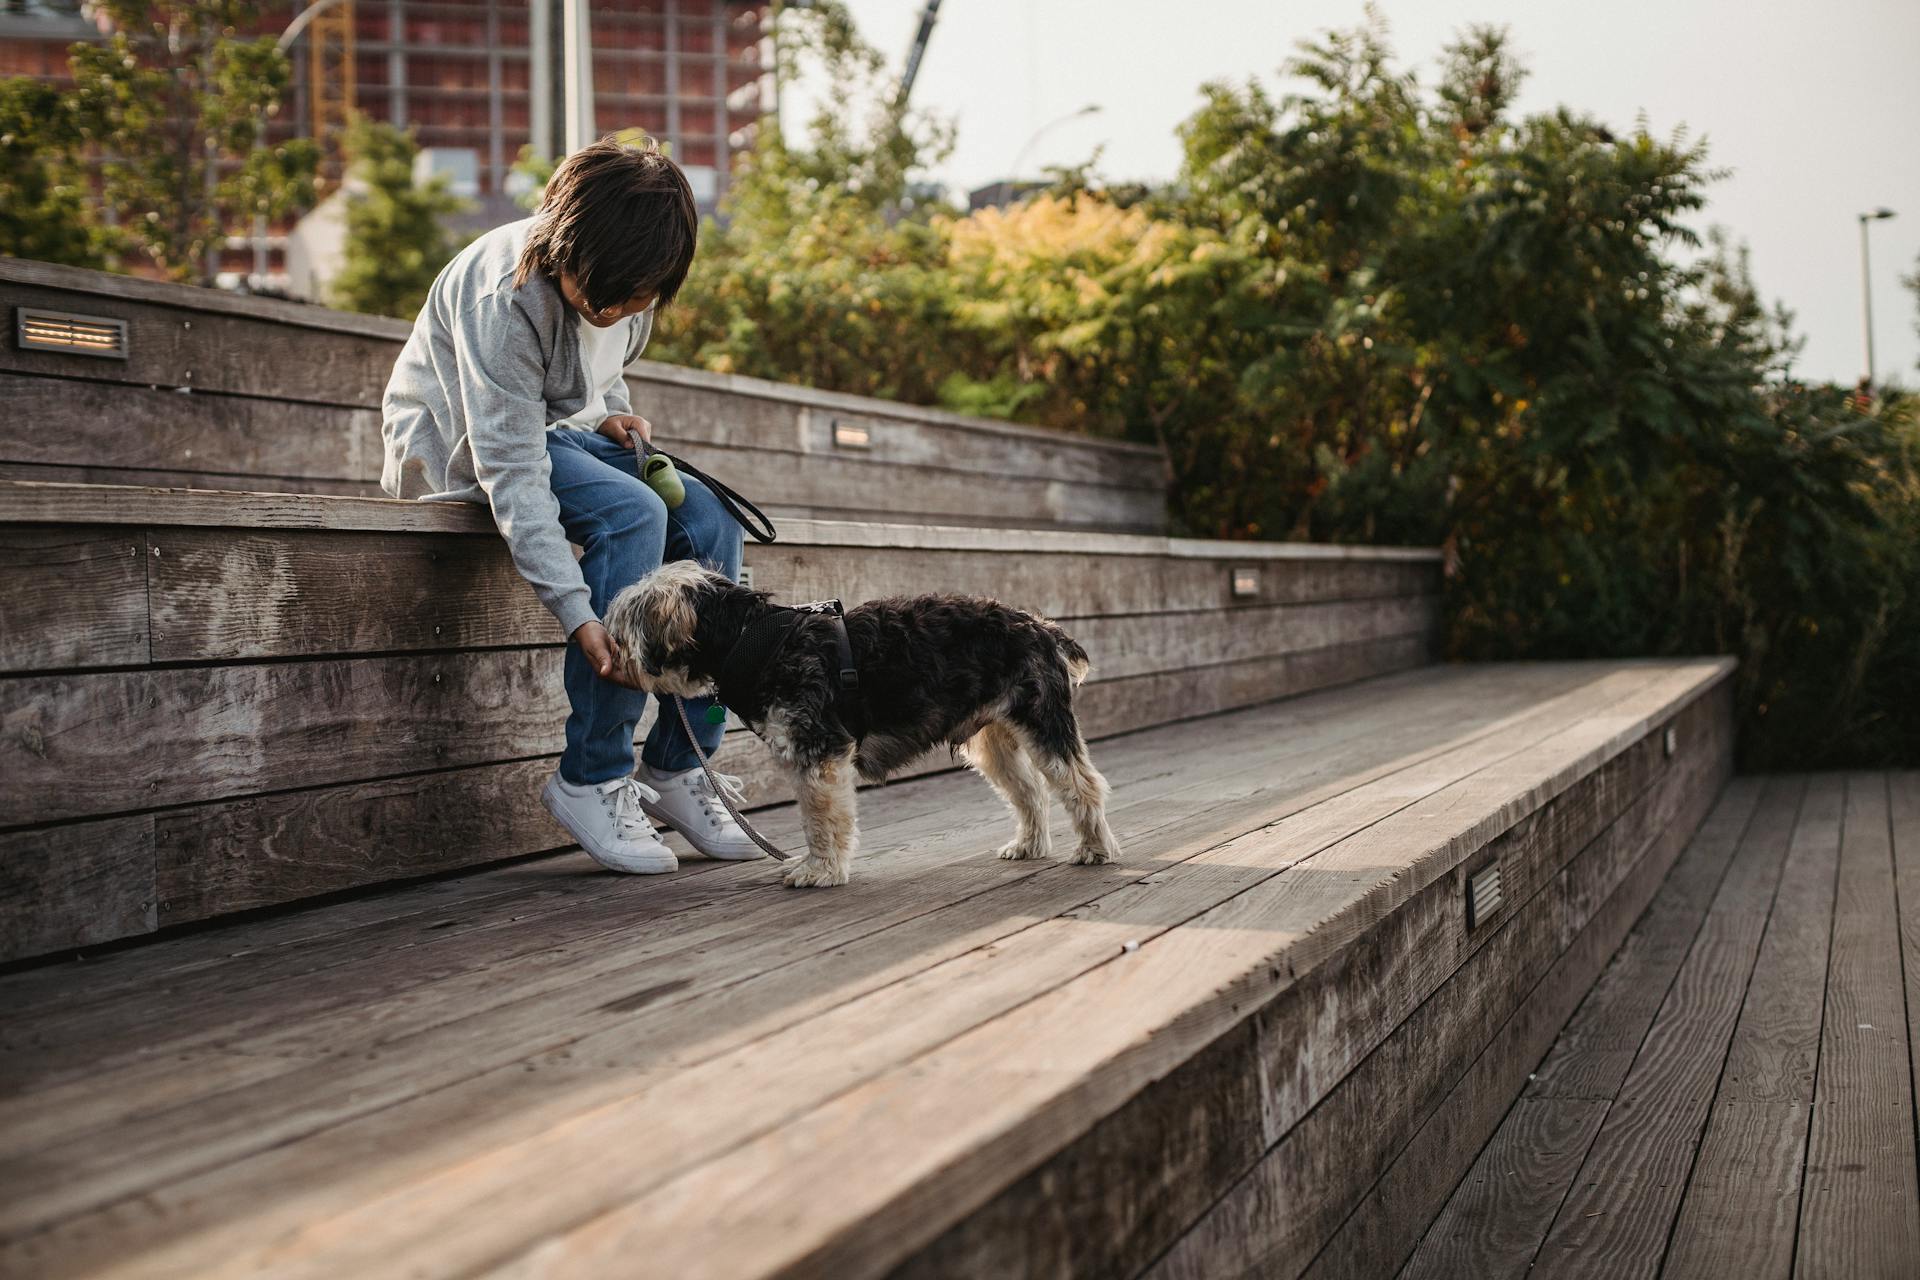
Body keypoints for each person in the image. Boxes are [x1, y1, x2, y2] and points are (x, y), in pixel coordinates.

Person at [380, 136, 757, 875]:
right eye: (603, 300)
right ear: (561, 249)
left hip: (564, 438)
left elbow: (598, 370)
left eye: (635, 303)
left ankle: (679, 767)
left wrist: (610, 410)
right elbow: (512, 466)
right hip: (469, 445)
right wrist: (581, 616)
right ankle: (592, 775)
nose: (619, 312)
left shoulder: (634, 281)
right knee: (633, 515)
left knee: (712, 521)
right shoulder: (505, 297)